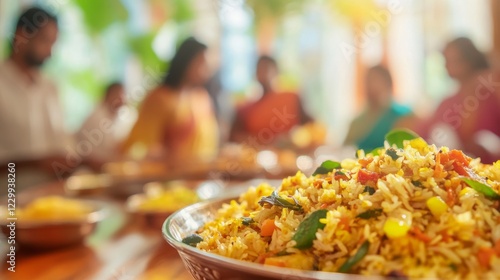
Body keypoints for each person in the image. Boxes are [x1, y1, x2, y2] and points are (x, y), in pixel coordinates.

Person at [0, 7, 72, 192]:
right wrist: (35, 163)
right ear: (22, 35)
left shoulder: (50, 87)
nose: (49, 53)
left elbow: (63, 144)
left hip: (51, 195)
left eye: (53, 43)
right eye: (45, 41)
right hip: (8, 198)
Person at [121, 37, 219, 164]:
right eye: (201, 63)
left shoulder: (202, 98)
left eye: (207, 65)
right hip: (166, 178)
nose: (206, 70)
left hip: (201, 176)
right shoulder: (160, 97)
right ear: (186, 61)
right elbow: (139, 145)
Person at [414, 37, 500, 163]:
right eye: (446, 60)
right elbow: (424, 132)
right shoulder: (449, 103)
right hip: (458, 176)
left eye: (455, 60)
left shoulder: (492, 94)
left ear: (470, 60)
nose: (448, 65)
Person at [229, 55, 313, 144]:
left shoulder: (291, 98)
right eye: (259, 70)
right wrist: (260, 142)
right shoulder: (246, 109)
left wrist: (296, 137)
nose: (263, 74)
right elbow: (233, 137)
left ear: (277, 72)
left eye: (266, 69)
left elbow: (311, 125)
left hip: (290, 153)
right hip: (258, 154)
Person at [344, 65, 412, 151]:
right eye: (369, 81)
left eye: (377, 81)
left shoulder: (403, 116)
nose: (372, 86)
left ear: (388, 84)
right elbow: (344, 149)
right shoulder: (357, 122)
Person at [76, 82, 133, 162]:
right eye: (118, 95)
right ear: (108, 95)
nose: (121, 99)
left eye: (122, 95)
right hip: (88, 167)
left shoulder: (117, 116)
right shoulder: (97, 116)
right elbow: (109, 148)